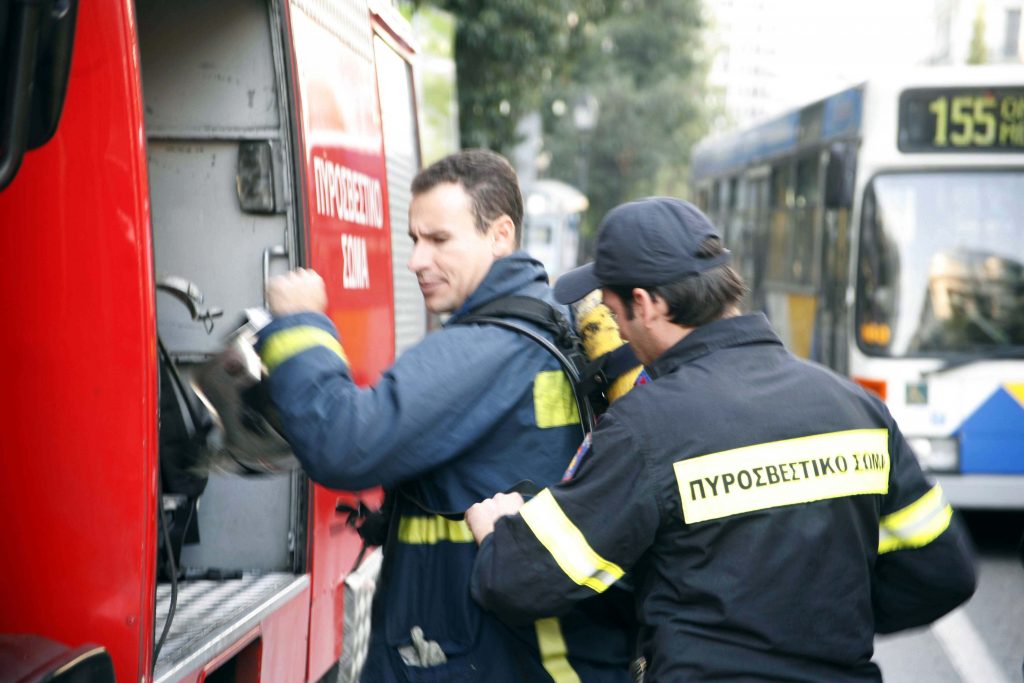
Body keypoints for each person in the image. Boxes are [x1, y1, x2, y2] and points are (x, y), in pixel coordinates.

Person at [465, 197, 977, 682]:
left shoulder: (649, 426)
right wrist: (820, 631)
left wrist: (495, 533)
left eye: (614, 313)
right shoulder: (854, 406)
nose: (615, 329)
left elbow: (524, 581)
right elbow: (943, 572)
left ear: (645, 304)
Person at [257, 149, 632, 682]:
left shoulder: (486, 349)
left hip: (481, 660)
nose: (416, 260)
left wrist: (300, 326)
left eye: (439, 240)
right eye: (414, 240)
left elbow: (344, 443)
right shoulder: (543, 329)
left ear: (501, 235)